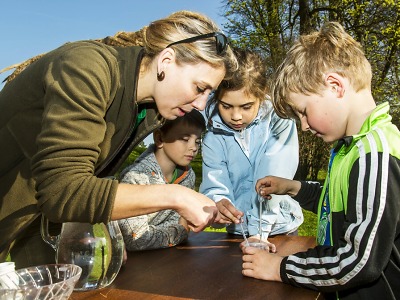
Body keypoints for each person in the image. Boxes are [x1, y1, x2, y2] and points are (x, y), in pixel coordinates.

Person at [0, 10, 238, 268]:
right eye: (199, 88)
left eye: (209, 94)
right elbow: (64, 190)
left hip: (35, 225)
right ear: (166, 61)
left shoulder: (148, 112)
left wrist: (107, 225)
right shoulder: (87, 67)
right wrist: (176, 196)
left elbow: (87, 178)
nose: (202, 104)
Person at [242, 22, 400, 300]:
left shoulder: (374, 155)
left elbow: (360, 263)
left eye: (304, 111)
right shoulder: (350, 149)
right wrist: (292, 188)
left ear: (335, 85)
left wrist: (281, 268)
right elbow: (339, 203)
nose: (303, 126)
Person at [199, 48, 303, 251]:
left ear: (261, 95)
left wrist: (260, 233)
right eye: (226, 106)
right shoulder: (212, 135)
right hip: (238, 232)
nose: (235, 116)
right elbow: (215, 181)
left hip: (281, 229)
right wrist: (220, 203)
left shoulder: (280, 121)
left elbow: (274, 178)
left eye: (246, 106)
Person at [118, 109, 205, 251]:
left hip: (167, 258)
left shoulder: (188, 176)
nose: (193, 147)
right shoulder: (136, 177)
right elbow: (136, 239)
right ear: (159, 138)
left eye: (197, 141)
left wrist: (174, 230)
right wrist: (181, 232)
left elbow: (174, 221)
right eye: (185, 139)